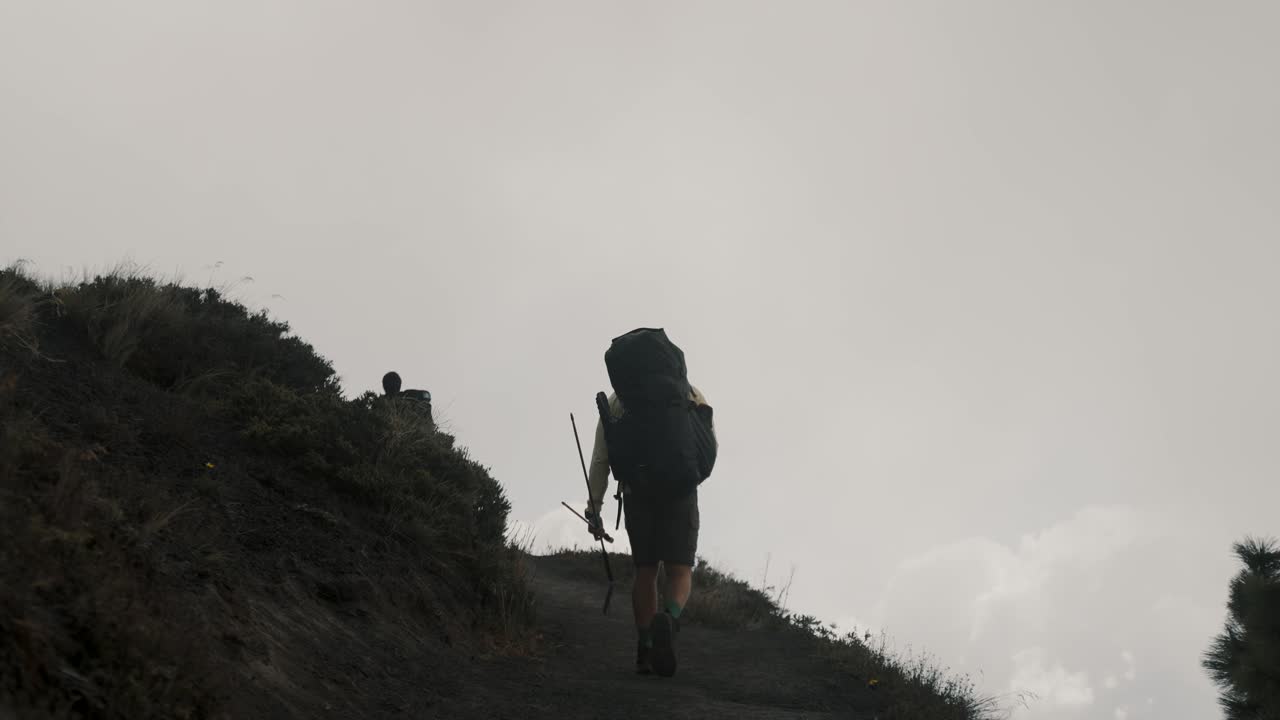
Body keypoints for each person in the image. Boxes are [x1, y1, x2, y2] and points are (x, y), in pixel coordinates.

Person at [585, 328, 716, 678]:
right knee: (680, 570)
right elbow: (707, 445)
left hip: (637, 491)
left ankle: (644, 648)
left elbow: (601, 458)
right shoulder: (689, 393)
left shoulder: (619, 400)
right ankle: (669, 620)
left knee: (645, 570)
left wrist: (594, 507)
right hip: (681, 489)